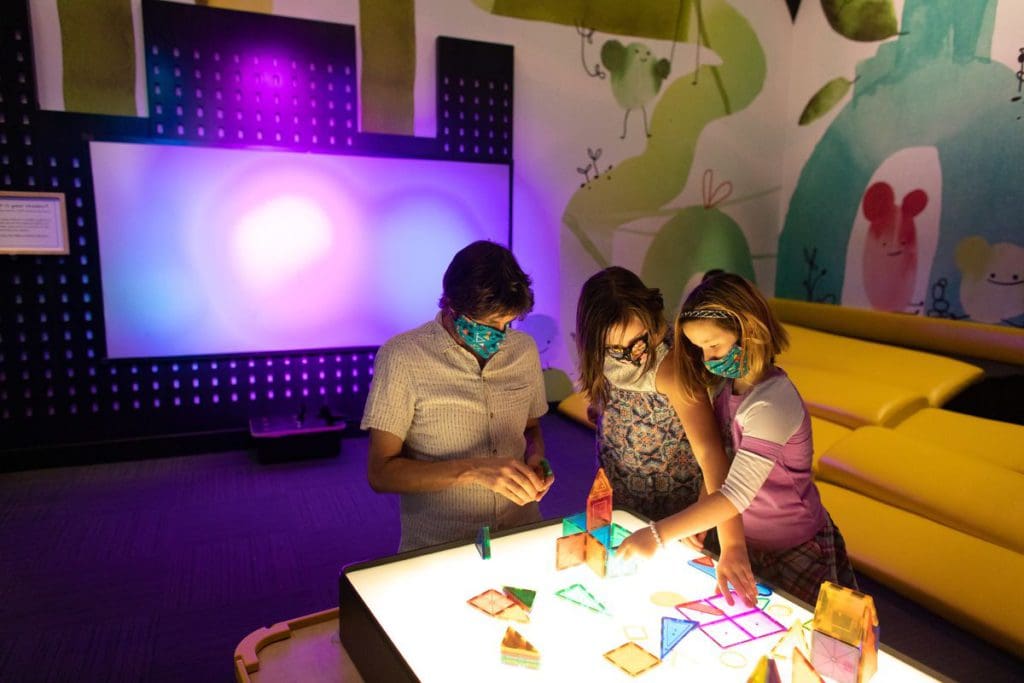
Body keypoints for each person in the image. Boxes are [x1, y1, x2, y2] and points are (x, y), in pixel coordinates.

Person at [616, 272, 858, 606]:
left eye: (713, 345)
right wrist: (704, 510)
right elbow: (722, 464)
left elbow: (734, 496)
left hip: (797, 547)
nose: (708, 358)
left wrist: (658, 534)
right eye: (700, 348)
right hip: (751, 540)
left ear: (750, 330)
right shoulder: (729, 390)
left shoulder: (772, 402)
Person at [575, 266, 756, 604]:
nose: (636, 355)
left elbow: (711, 454)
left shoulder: (669, 367)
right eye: (620, 349)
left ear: (652, 316)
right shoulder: (603, 357)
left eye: (641, 341)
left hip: (677, 509)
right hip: (626, 496)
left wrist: (732, 541)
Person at [361, 241, 554, 552]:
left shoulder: (524, 350)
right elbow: (380, 473)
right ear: (451, 305)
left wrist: (535, 459)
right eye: (490, 324)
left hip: (520, 531)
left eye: (508, 322)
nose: (501, 335)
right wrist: (474, 470)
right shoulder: (402, 357)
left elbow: (530, 429)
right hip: (441, 545)